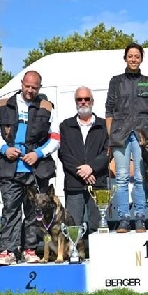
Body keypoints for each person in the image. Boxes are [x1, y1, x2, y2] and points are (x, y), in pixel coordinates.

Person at [0, 70, 60, 265]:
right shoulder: (5, 105)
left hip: (36, 170)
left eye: (34, 87)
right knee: (10, 211)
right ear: (21, 84)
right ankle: (7, 251)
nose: (30, 91)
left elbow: (55, 138)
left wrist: (38, 154)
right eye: (27, 86)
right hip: (10, 168)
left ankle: (30, 250)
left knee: (34, 212)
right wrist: (5, 149)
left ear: (39, 87)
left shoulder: (46, 107)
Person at [105, 42, 148, 233]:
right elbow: (109, 112)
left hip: (142, 136)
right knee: (121, 178)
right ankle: (123, 219)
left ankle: (139, 218)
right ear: (125, 58)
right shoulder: (116, 81)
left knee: (140, 177)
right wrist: (109, 139)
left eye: (137, 56)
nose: (133, 59)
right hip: (120, 135)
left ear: (141, 59)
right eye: (130, 56)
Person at [58, 86, 109, 232]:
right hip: (74, 184)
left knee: (98, 227)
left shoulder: (104, 125)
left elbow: (108, 151)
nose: (83, 102)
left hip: (97, 183)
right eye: (79, 99)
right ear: (75, 102)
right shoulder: (66, 126)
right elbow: (64, 153)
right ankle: (75, 255)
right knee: (73, 228)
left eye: (86, 99)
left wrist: (91, 168)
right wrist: (82, 171)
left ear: (92, 101)